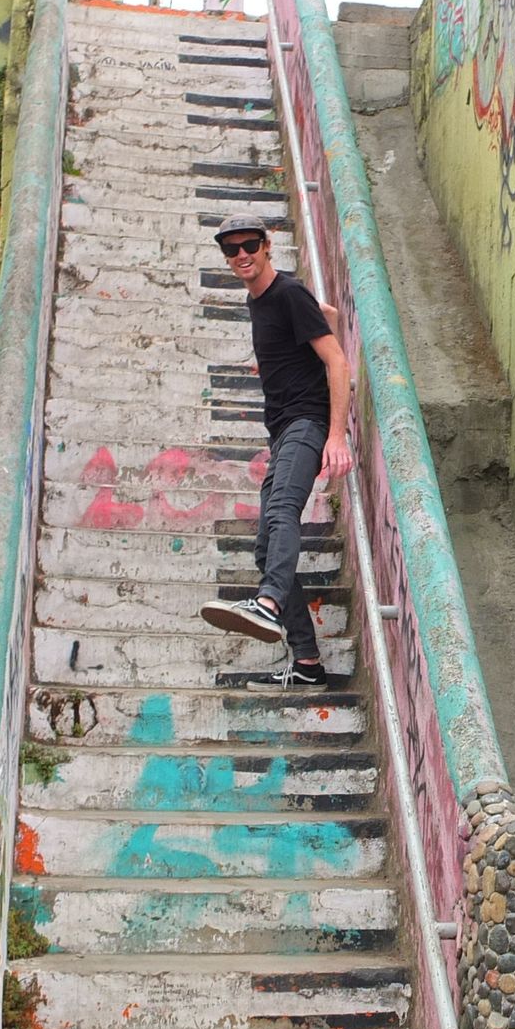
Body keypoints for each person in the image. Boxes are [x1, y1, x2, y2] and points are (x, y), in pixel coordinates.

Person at [200, 214, 353, 688]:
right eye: (231, 249)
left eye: (249, 245)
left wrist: (336, 436)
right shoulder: (262, 298)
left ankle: (267, 604)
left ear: (267, 246)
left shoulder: (286, 292)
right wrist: (325, 316)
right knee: (267, 549)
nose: (241, 255)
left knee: (283, 508)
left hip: (307, 424)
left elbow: (337, 361)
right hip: (284, 431)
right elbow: (326, 314)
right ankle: (307, 662)